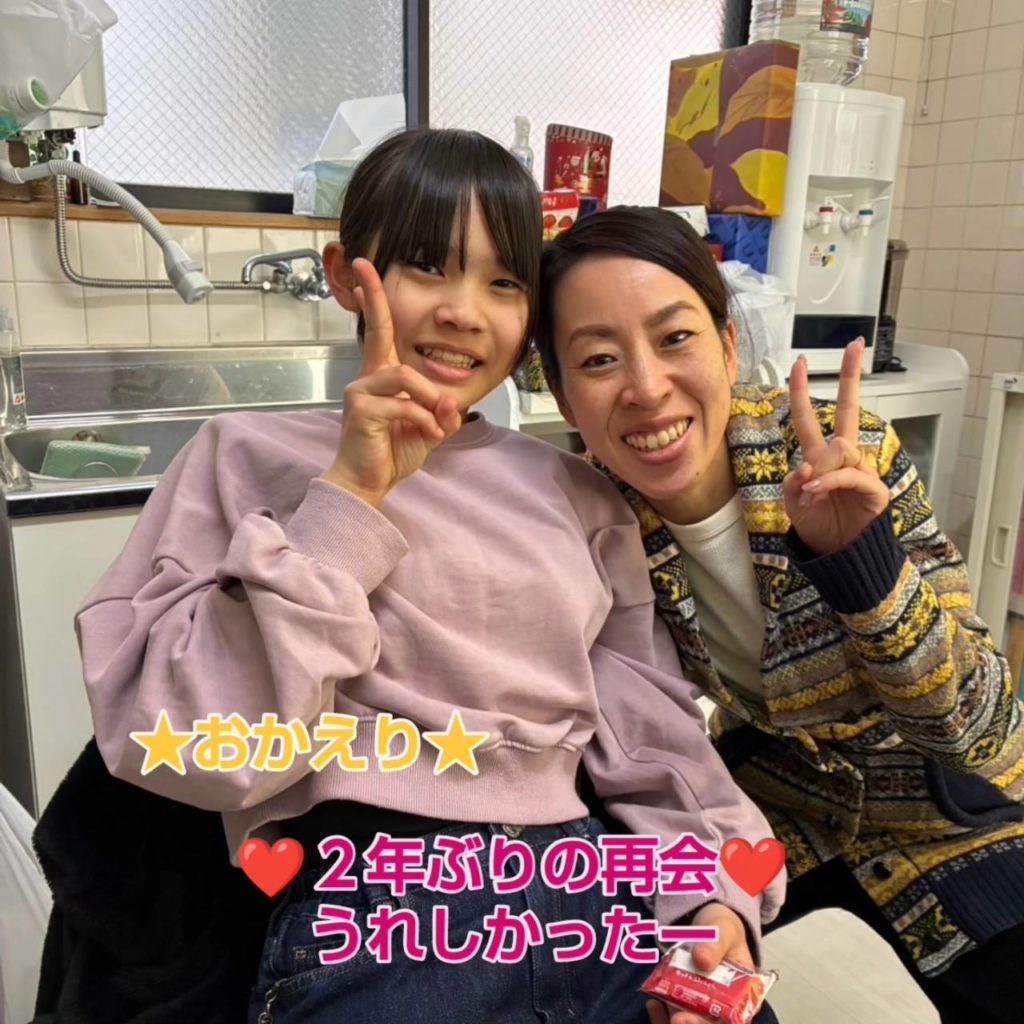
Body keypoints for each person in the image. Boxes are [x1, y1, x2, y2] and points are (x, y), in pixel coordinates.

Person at [74, 132, 783, 1024]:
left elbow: (651, 742)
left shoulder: (575, 492)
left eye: (504, 283)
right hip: (382, 909)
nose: (463, 312)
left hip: (593, 895)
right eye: (425, 266)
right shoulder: (241, 457)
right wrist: (348, 496)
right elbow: (173, 734)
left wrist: (711, 901)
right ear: (345, 274)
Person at [535, 205, 1024, 1024]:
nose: (646, 387)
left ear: (729, 346)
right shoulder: (589, 519)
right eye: (599, 359)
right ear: (562, 393)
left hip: (941, 806)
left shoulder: (839, 459)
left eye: (675, 338)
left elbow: (985, 728)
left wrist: (863, 568)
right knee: (648, 982)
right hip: (773, 803)